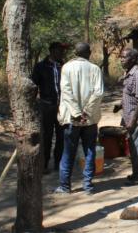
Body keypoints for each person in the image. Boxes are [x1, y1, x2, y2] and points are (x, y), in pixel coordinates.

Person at [55, 43, 104, 194]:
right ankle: (88, 186)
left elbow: (66, 92)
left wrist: (76, 113)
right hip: (89, 120)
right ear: (89, 53)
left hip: (71, 118)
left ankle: (65, 186)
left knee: (68, 152)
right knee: (90, 151)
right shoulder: (95, 69)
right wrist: (87, 112)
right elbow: (98, 93)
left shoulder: (66, 68)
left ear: (75, 53)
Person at [114, 48, 138, 185]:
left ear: (134, 59)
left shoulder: (137, 74)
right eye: (121, 57)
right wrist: (120, 105)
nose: (122, 59)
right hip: (130, 116)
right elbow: (130, 95)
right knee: (136, 147)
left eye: (125, 57)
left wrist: (133, 120)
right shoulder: (129, 73)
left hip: (137, 118)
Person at [32, 42, 69, 174]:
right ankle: (45, 165)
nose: (63, 53)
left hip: (62, 107)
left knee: (61, 136)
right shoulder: (40, 67)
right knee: (46, 137)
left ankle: (59, 164)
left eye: (63, 51)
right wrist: (34, 107)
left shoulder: (65, 66)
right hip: (46, 106)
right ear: (52, 51)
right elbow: (33, 86)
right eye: (60, 50)